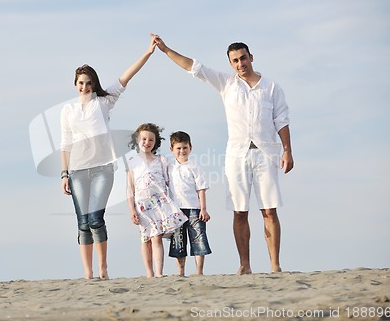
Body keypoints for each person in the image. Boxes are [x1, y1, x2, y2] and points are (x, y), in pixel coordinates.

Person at [152, 34, 294, 275]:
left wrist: (287, 150)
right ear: (231, 64)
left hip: (266, 154)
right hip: (237, 156)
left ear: (251, 57)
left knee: (269, 210)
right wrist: (166, 50)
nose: (241, 64)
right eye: (236, 60)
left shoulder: (271, 87)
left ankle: (274, 265)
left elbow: (281, 119)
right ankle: (245, 265)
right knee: (240, 211)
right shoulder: (226, 83)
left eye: (244, 58)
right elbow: (193, 67)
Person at [60, 37, 157, 280]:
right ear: (75, 84)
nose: (84, 86)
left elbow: (127, 76)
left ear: (94, 84)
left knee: (95, 219)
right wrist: (64, 174)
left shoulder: (104, 101)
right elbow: (65, 144)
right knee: (83, 222)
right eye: (80, 83)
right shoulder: (68, 111)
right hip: (78, 171)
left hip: (103, 168)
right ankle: (88, 272)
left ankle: (103, 268)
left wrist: (147, 52)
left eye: (88, 83)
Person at [126, 123, 188, 278]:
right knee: (145, 238)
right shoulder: (132, 162)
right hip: (142, 206)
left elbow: (170, 182)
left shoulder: (161, 160)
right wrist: (132, 209)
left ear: (155, 142)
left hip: (159, 204)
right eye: (144, 139)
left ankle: (159, 273)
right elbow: (129, 188)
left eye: (151, 140)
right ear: (137, 140)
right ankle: (149, 272)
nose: (147, 142)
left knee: (157, 236)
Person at [167, 131, 212, 276]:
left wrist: (203, 209)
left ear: (190, 148)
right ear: (172, 150)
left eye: (185, 148)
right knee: (179, 241)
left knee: (198, 239)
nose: (182, 151)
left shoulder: (194, 167)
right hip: (176, 210)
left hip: (194, 209)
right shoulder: (169, 167)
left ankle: (199, 271)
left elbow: (201, 189)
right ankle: (180, 272)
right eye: (178, 148)